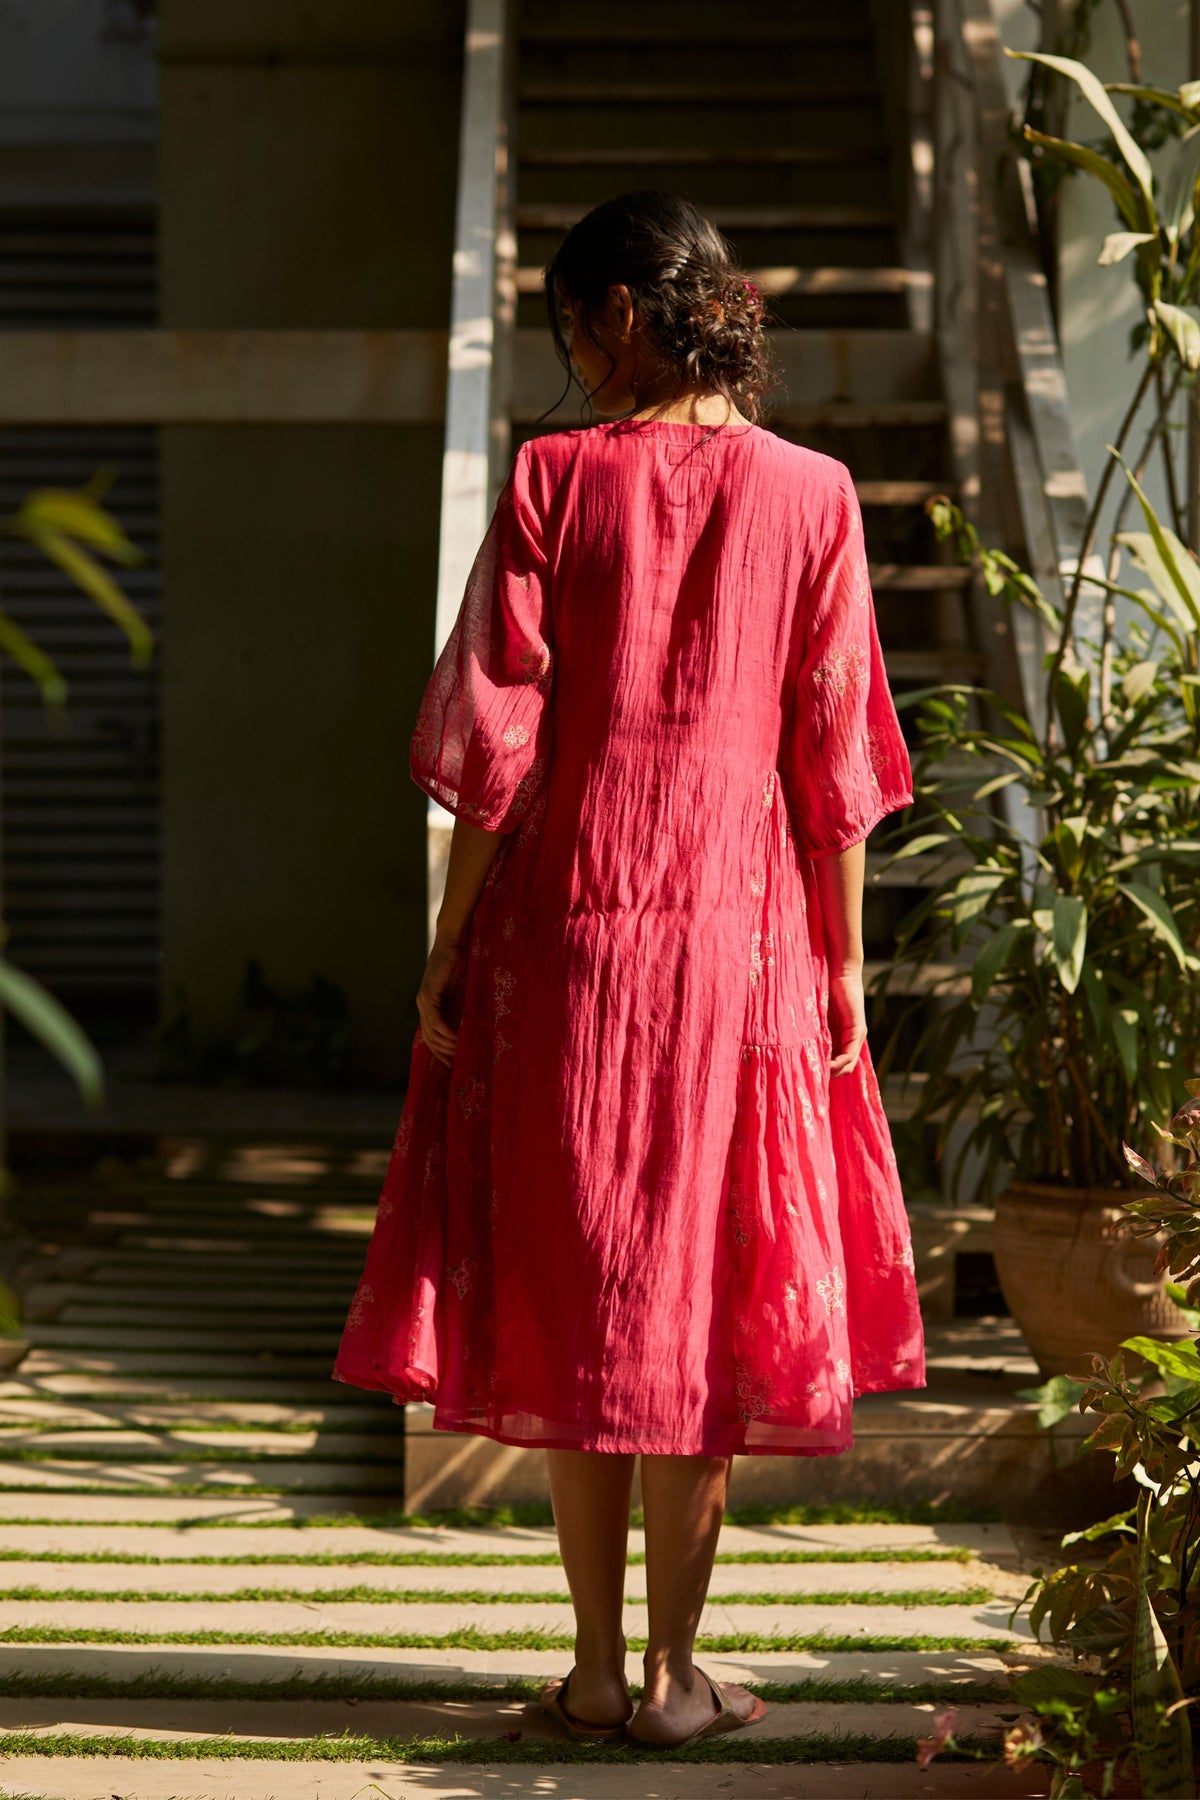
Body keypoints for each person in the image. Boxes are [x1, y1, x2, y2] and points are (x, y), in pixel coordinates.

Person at [333, 190, 925, 1750]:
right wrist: (847, 963)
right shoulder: (816, 494)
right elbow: (835, 754)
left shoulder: (550, 482)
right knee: (703, 1303)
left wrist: (453, 947)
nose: (567, 360)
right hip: (740, 941)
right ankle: (676, 1681)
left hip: (569, 940)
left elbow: (493, 748)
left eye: (569, 327)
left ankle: (593, 1666)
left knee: (589, 1292)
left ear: (613, 315)